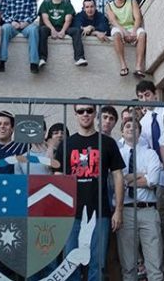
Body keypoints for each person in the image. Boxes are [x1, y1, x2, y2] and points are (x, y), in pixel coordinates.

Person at [54, 101, 125, 281]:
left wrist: (118, 210)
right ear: (75, 114)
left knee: (97, 263)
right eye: (81, 111)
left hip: (100, 212)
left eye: (89, 110)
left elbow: (118, 176)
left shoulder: (108, 143)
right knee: (70, 263)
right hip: (71, 213)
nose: (85, 114)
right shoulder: (67, 144)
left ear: (95, 114)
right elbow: (57, 177)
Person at [116, 117, 164, 281]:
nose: (131, 128)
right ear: (122, 131)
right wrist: (141, 174)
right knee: (128, 267)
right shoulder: (117, 154)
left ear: (139, 132)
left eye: (135, 126)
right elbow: (118, 183)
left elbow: (153, 181)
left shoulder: (150, 154)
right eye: (127, 126)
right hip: (126, 212)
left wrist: (128, 178)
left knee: (155, 265)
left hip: (148, 212)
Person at [135, 80, 164, 275]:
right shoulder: (144, 121)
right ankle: (156, 267)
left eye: (147, 95)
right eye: (140, 97)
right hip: (155, 177)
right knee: (157, 223)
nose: (144, 99)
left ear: (155, 93)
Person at [38, 0, 88, 68]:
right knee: (42, 30)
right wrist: (52, 30)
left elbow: (68, 20)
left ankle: (80, 58)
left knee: (76, 30)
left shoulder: (67, 4)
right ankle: (42, 58)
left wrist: (63, 31)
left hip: (64, 27)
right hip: (50, 27)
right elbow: (45, 19)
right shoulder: (45, 4)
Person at [0, 0, 39, 74]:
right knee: (4, 28)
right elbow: (3, 13)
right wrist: (11, 22)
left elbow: (34, 13)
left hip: (26, 25)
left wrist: (26, 22)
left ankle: (34, 63)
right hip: (12, 25)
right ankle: (2, 61)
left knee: (34, 30)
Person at [106, 0, 146, 78]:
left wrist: (133, 31)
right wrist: (124, 32)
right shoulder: (109, 5)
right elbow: (113, 21)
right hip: (119, 27)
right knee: (116, 34)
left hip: (132, 26)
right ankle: (123, 65)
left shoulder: (132, 2)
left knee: (142, 33)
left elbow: (137, 18)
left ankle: (138, 67)